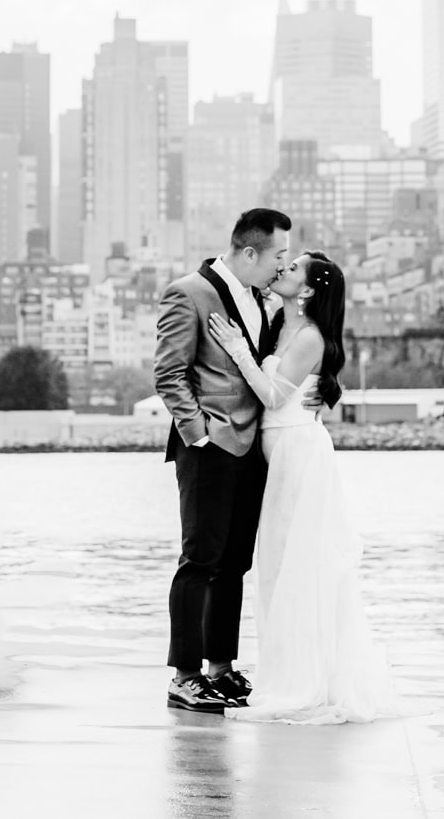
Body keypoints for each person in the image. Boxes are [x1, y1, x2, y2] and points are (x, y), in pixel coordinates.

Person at [205, 249, 402, 724]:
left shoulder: (311, 336)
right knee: (276, 566)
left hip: (298, 454)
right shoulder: (280, 322)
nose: (282, 270)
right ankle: (285, 669)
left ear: (309, 290)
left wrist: (236, 349)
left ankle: (303, 680)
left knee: (298, 567)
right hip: (279, 453)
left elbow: (274, 395)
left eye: (292, 269)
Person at [152, 207, 292, 712]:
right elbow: (169, 374)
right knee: (200, 561)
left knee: (234, 563)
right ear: (249, 252)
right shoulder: (188, 291)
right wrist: (200, 436)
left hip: (254, 448)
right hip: (208, 449)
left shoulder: (261, 298)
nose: (283, 264)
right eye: (279, 254)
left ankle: (221, 668)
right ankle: (185, 677)